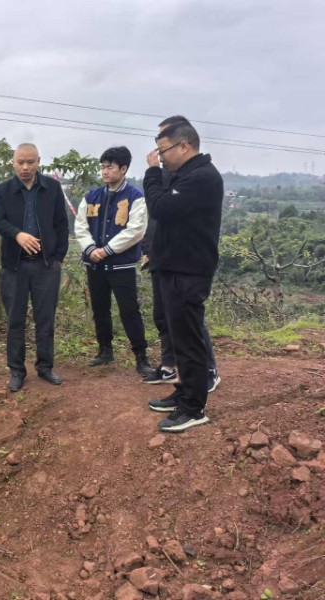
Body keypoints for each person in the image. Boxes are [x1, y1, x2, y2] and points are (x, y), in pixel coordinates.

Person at [143, 120, 223, 432]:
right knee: (179, 338)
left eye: (163, 150)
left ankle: (194, 408)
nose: (160, 157)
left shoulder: (202, 177)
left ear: (184, 146)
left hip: (189, 271)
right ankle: (184, 393)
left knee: (189, 340)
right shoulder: (186, 175)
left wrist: (151, 174)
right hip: (173, 267)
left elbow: (160, 207)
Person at [0, 143, 69, 392]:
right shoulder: (3, 190)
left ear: (38, 162)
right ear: (13, 163)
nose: (25, 167)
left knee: (45, 319)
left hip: (46, 266)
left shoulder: (52, 188)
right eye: (20, 162)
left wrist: (57, 258)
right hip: (14, 267)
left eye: (30, 162)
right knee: (15, 320)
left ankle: (45, 367)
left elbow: (61, 224)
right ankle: (17, 370)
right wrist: (18, 235)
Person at [75, 146, 152, 376]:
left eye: (110, 167)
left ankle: (141, 357)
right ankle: (105, 351)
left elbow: (136, 230)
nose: (105, 172)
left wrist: (107, 250)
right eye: (103, 167)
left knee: (129, 310)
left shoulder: (136, 198)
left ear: (124, 169)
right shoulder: (91, 197)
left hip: (121, 265)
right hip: (95, 264)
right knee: (100, 309)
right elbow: (80, 225)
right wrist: (90, 249)